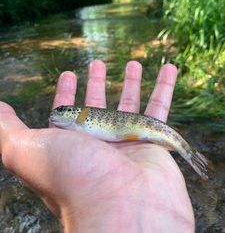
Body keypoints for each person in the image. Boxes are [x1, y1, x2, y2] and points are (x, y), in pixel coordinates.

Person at [0, 60, 195, 232]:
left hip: (141, 129)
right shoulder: (77, 122)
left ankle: (188, 152)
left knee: (175, 142)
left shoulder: (81, 115)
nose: (56, 112)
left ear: (73, 112)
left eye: (62, 110)